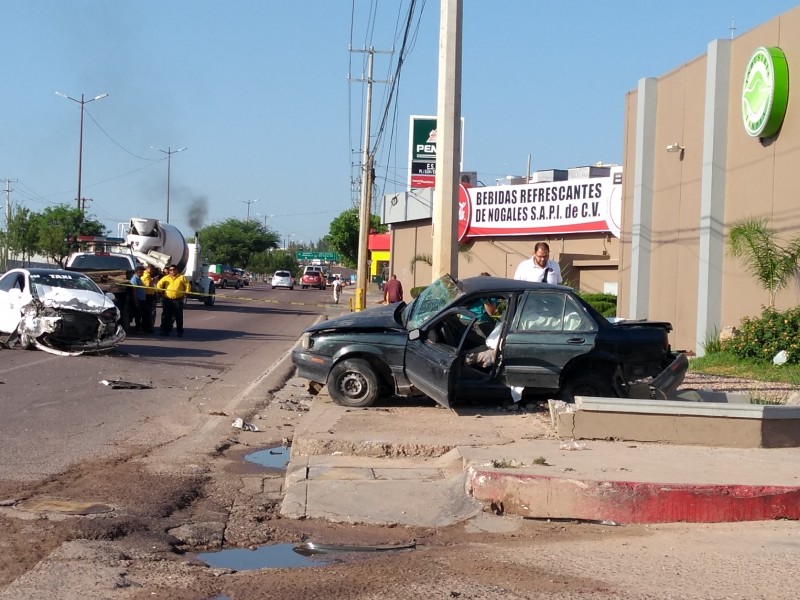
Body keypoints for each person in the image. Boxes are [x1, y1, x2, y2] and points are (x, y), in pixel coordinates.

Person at [157, 264, 191, 337]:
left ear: (177, 270)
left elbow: (187, 285)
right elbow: (159, 284)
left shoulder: (182, 278)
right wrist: (160, 291)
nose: (172, 271)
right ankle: (166, 331)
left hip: (178, 300)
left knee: (178, 316)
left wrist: (186, 294)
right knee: (166, 316)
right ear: (169, 271)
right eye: (170, 270)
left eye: (173, 269)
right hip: (167, 300)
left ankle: (179, 332)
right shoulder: (166, 278)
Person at [129, 265, 148, 333]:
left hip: (142, 299)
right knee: (138, 315)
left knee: (142, 314)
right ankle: (137, 329)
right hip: (139, 300)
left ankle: (140, 328)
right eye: (141, 271)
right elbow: (134, 291)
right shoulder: (134, 279)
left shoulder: (139, 279)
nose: (143, 272)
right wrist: (136, 301)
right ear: (137, 271)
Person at [140, 264, 158, 333]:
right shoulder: (146, 275)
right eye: (152, 270)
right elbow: (147, 285)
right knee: (148, 313)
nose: (153, 271)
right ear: (149, 269)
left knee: (149, 313)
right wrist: (154, 280)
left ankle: (147, 327)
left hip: (149, 295)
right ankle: (146, 328)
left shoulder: (147, 275)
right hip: (147, 296)